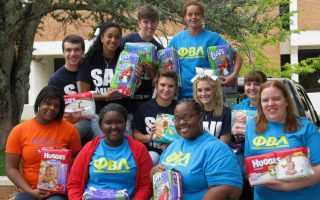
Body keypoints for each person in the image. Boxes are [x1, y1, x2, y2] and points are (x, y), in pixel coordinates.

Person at [151, 99, 242, 200]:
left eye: (187, 117)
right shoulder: (172, 146)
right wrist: (154, 173)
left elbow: (229, 190)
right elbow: (160, 184)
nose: (181, 122)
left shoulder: (217, 149)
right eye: (177, 118)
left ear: (201, 117)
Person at [244, 80, 320, 200]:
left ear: (286, 101)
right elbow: (249, 163)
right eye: (265, 100)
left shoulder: (306, 127)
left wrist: (286, 187)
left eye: (276, 99)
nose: (270, 104)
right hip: (264, 196)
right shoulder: (251, 126)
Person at [5, 86, 81, 200]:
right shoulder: (19, 131)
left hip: (56, 192)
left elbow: (79, 160)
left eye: (57, 106)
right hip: (28, 190)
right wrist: (30, 191)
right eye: (48, 103)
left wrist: (65, 163)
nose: (52, 108)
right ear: (39, 103)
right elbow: (11, 168)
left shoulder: (70, 130)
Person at [67, 103, 153, 200]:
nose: (114, 127)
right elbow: (74, 184)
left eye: (119, 122)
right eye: (108, 122)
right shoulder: (89, 148)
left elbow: (145, 186)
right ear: (100, 125)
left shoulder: (139, 149)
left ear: (126, 124)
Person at [168, 0, 243, 99]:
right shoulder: (176, 40)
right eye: (190, 14)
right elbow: (166, 65)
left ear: (202, 16)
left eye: (197, 14)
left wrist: (233, 75)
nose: (193, 17)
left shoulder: (213, 38)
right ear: (185, 17)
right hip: (184, 95)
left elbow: (238, 57)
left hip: (209, 94)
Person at [78, 22, 134, 136]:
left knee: (127, 143)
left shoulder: (126, 60)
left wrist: (133, 80)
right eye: (109, 36)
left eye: (117, 37)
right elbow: (83, 95)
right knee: (105, 140)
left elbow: (130, 91)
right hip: (99, 114)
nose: (113, 40)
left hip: (123, 113)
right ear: (102, 38)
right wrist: (106, 96)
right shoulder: (89, 61)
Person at [48, 34, 96, 144]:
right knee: (68, 133)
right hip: (73, 122)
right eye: (68, 50)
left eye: (77, 50)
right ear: (63, 52)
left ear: (83, 51)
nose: (72, 54)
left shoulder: (93, 71)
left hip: (98, 118)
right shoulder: (55, 80)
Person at [120, 4, 164, 113]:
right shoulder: (126, 42)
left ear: (157, 22)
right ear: (139, 23)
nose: (149, 25)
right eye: (145, 21)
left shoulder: (159, 49)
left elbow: (160, 80)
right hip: (125, 100)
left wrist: (154, 74)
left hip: (147, 100)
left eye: (153, 21)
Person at [232, 70, 267, 200]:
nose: (252, 88)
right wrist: (236, 134)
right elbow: (234, 139)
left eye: (257, 84)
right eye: (248, 84)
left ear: (264, 86)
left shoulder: (269, 107)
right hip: (243, 152)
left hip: (264, 153)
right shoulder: (238, 109)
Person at [133, 70, 178, 165]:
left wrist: (173, 141)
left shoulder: (180, 109)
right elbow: (136, 134)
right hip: (151, 155)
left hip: (175, 155)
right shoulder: (144, 108)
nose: (166, 89)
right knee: (153, 157)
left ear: (176, 88)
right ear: (156, 85)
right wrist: (149, 137)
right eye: (162, 85)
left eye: (171, 86)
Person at [192, 70, 232, 144]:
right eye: (199, 90)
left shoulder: (226, 113)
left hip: (217, 153)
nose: (203, 94)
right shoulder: (194, 112)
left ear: (215, 90)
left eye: (207, 89)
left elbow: (223, 145)